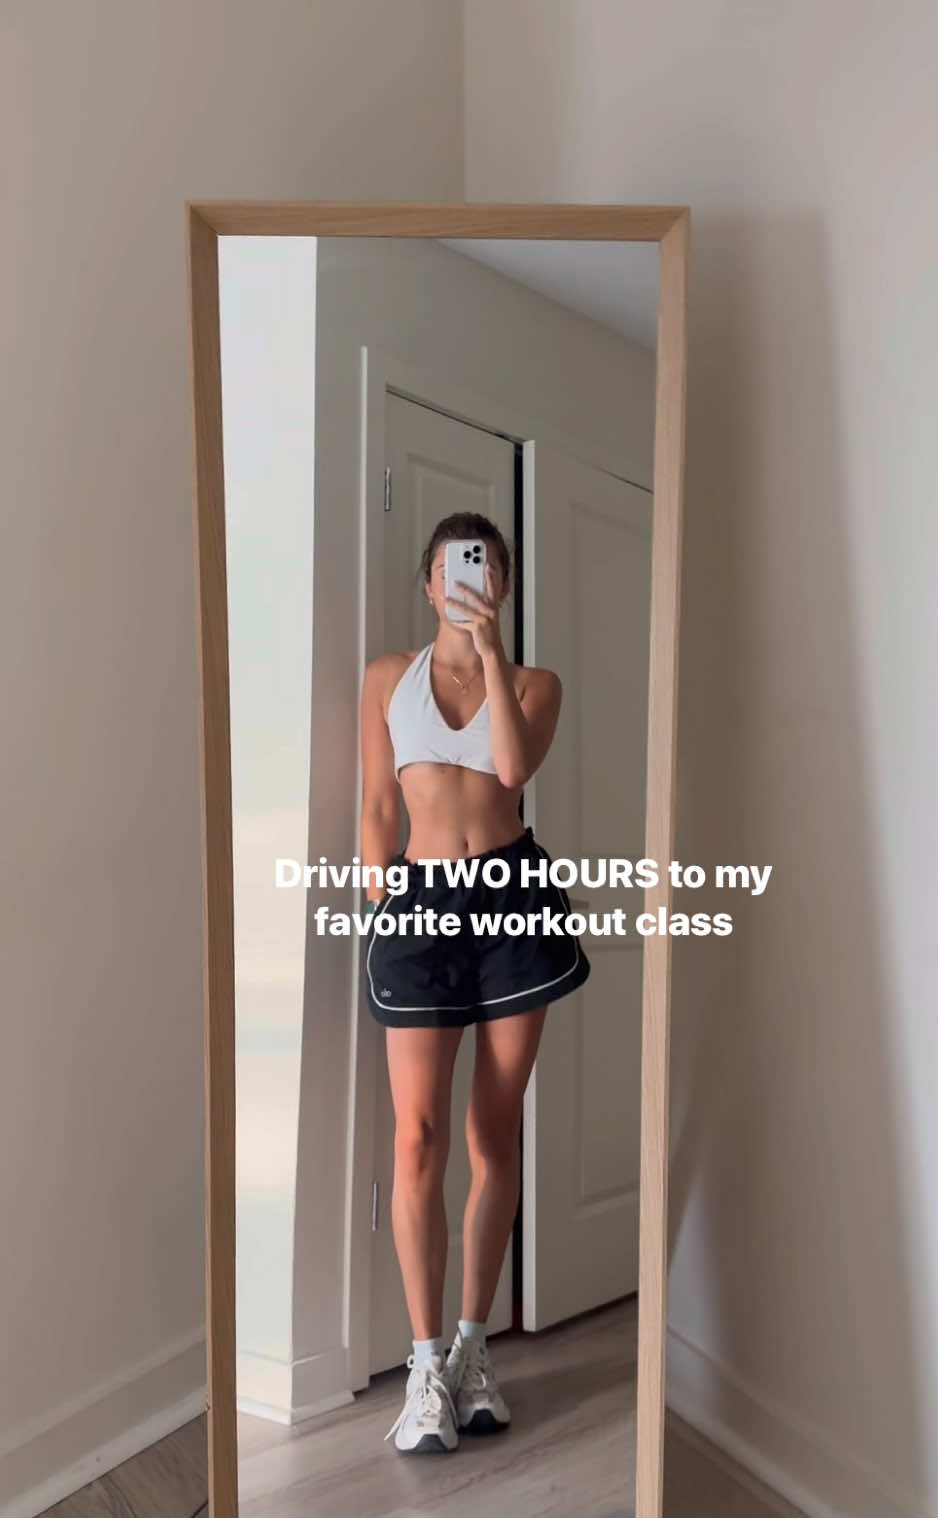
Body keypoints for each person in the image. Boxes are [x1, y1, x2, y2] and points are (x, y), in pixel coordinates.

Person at [359, 511, 591, 1453]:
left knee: (493, 1135)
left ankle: (471, 1348)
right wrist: (379, 891)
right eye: (456, 569)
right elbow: (378, 801)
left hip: (512, 903)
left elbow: (512, 766)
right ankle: (424, 1368)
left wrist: (491, 649)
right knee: (416, 1139)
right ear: (429, 583)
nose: (467, 581)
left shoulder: (534, 684)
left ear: (502, 584)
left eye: (486, 569)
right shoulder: (387, 678)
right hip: (419, 904)